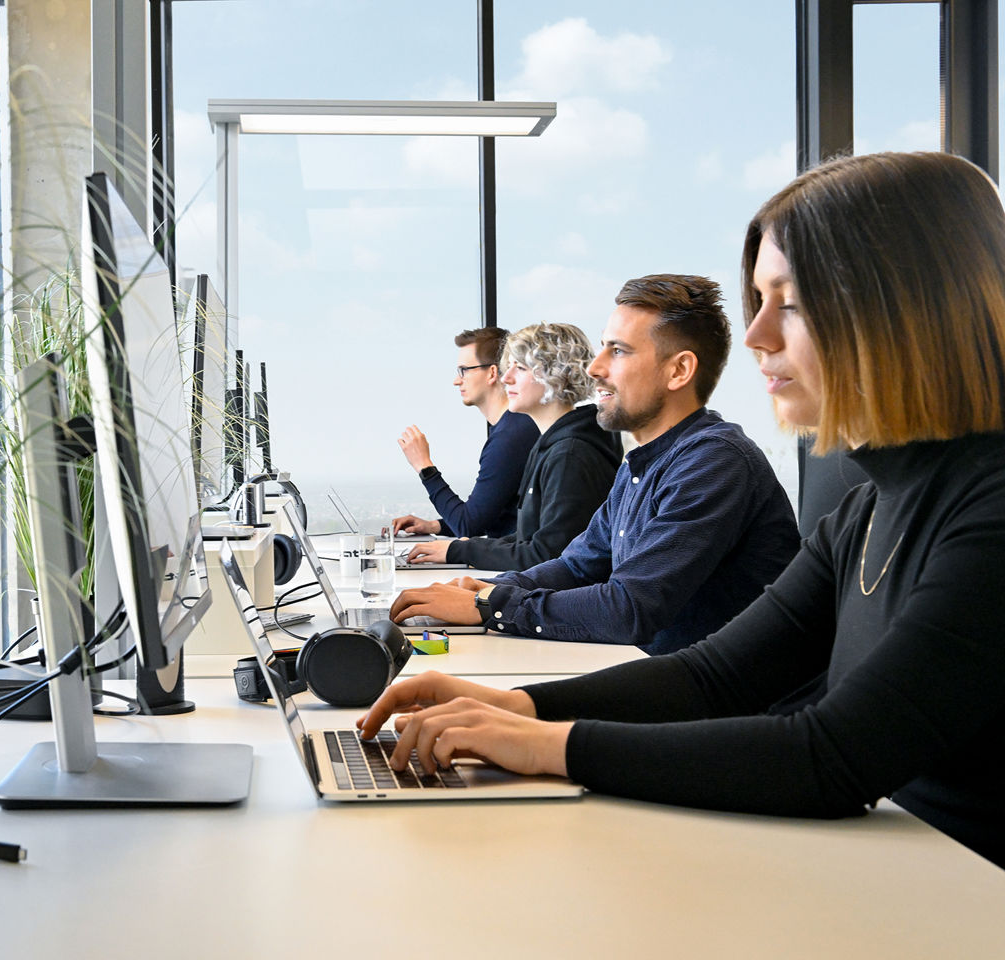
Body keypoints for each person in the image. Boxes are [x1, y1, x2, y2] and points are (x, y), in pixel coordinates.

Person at [361, 152, 1005, 868]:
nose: (757, 336)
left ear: (908, 309)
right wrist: (522, 706)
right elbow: (712, 676)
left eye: (788, 303)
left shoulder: (991, 509)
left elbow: (833, 755)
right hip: (903, 875)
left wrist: (546, 744)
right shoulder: (864, 510)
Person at [392, 275, 798, 655]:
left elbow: (631, 607)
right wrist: (485, 589)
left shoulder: (713, 462)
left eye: (617, 351)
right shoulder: (642, 461)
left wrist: (491, 605)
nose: (594, 367)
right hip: (655, 675)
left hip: (713, 708)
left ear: (679, 371)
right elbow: (576, 564)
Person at [404, 323, 621, 571]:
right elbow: (529, 539)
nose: (507, 378)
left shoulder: (569, 454)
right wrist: (462, 547)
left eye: (520, 368)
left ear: (555, 375)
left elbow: (546, 556)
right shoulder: (550, 444)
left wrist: (462, 549)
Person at [392, 328, 539, 541]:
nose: (456, 380)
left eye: (464, 370)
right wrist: (434, 526)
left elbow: (467, 525)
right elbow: (484, 517)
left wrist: (424, 467)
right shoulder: (513, 427)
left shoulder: (509, 437)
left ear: (492, 373)